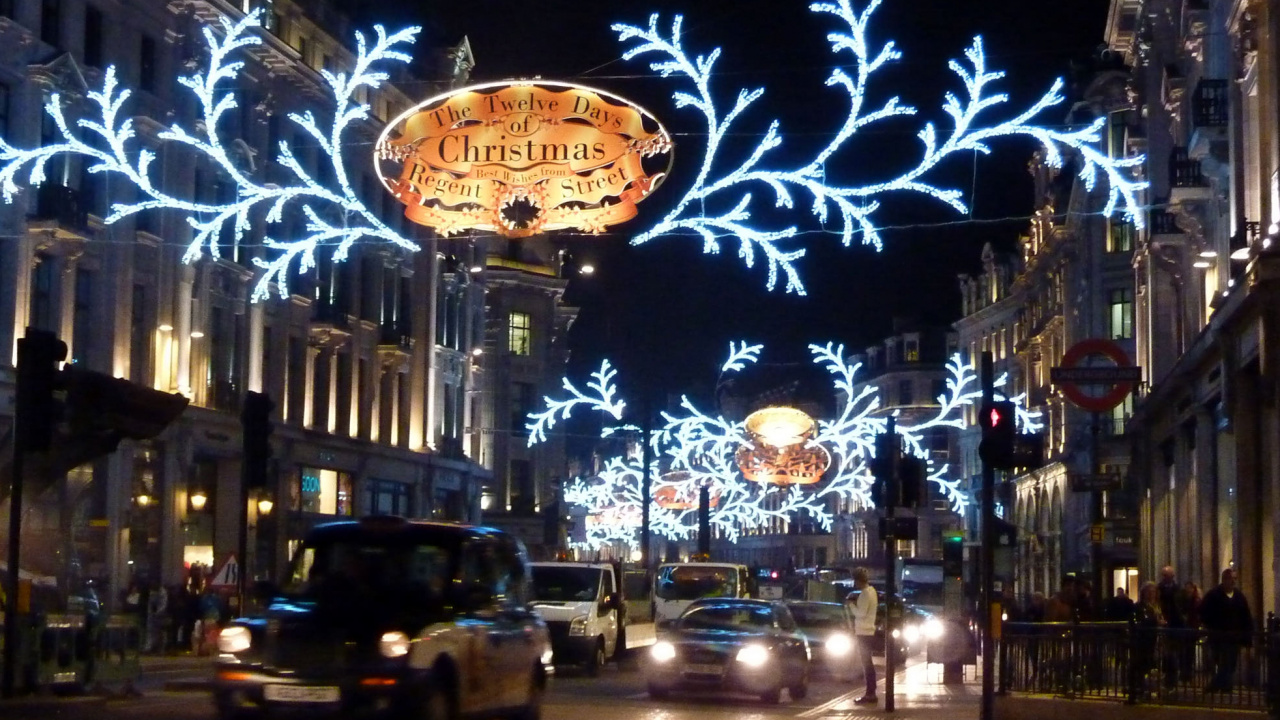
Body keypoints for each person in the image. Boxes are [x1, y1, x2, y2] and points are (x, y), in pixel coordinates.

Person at [1201, 568, 1253, 693]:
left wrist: (1247, 637)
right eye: (1231, 579)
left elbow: (1246, 616)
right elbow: (1204, 612)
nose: (1233, 582)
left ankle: (1222, 686)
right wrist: (1212, 626)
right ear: (1224, 579)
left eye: (1235, 579)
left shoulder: (1239, 596)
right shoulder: (1214, 595)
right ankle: (1219, 685)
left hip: (1234, 636)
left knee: (1231, 663)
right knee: (1224, 661)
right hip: (1219, 635)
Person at [846, 567, 878, 705]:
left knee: (867, 664)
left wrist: (851, 605)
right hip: (868, 631)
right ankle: (871, 692)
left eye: (855, 580)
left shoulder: (865, 594)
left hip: (864, 632)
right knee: (868, 663)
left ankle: (870, 693)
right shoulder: (872, 591)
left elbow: (861, 614)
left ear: (858, 580)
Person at [1132, 582, 1166, 698]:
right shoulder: (1140, 606)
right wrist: (1155, 622)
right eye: (1149, 592)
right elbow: (1141, 621)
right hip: (1144, 640)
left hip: (1156, 638)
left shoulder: (1157, 605)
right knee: (1142, 663)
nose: (1151, 594)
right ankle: (1140, 687)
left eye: (1153, 592)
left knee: (1154, 663)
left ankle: (1152, 686)